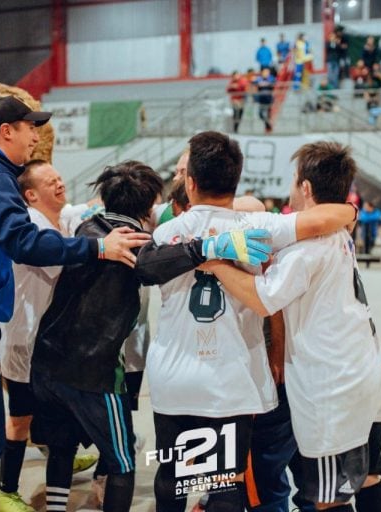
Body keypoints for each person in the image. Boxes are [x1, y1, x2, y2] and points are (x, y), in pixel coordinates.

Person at [0, 95, 151, 512]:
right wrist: (97, 249)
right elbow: (22, 241)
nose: (35, 136)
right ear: (7, 131)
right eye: (30, 127)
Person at [30, 160, 272, 512]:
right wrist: (206, 249)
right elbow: (151, 264)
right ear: (151, 205)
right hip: (95, 369)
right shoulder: (139, 244)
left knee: (62, 443)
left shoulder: (84, 226)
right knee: (124, 462)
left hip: (47, 361)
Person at [148, 131, 357, 512]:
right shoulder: (259, 225)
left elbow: (145, 266)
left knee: (173, 479)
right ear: (235, 181)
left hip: (173, 378)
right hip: (229, 379)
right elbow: (322, 219)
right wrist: (351, 211)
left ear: (190, 183)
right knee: (225, 486)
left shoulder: (166, 233)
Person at [200, 141, 381, 512]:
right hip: (370, 372)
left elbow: (262, 298)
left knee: (326, 498)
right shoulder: (339, 233)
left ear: (305, 188)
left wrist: (215, 264)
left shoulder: (305, 247)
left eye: (293, 179)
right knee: (367, 477)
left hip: (333, 387)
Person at [0, 160, 96, 512]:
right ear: (30, 195)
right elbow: (68, 265)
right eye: (49, 181)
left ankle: (61, 456)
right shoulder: (33, 228)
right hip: (25, 341)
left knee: (56, 412)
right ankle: (6, 489)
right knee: (21, 417)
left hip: (55, 342)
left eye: (59, 177)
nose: (59, 184)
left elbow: (82, 209)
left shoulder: (62, 218)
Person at [253, 68, 276, 133]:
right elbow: (254, 82)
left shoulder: (271, 78)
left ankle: (268, 129)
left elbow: (272, 83)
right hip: (261, 99)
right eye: (264, 72)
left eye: (267, 72)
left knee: (268, 115)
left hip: (269, 99)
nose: (265, 74)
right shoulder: (259, 78)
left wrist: (263, 84)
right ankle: (268, 125)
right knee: (260, 114)